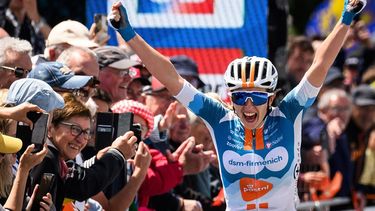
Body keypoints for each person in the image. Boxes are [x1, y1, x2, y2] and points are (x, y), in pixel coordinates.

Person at [109, 0, 366, 210]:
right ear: (231, 98)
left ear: (273, 98)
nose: (249, 105)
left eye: (258, 97)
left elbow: (319, 65)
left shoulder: (289, 112)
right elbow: (171, 77)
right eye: (241, 97)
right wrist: (128, 34)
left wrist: (345, 19)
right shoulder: (218, 117)